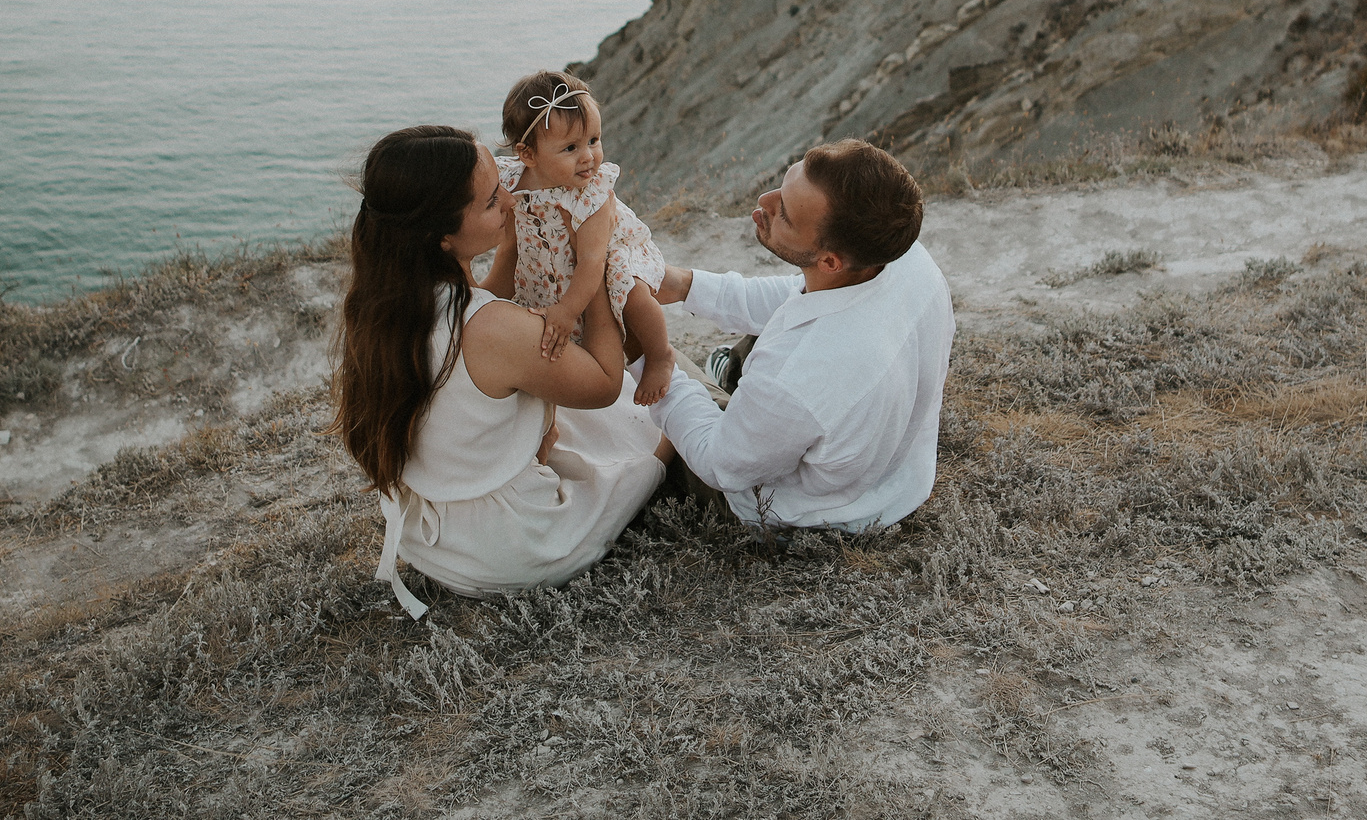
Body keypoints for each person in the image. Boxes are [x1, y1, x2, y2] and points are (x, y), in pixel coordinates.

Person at [334, 124, 668, 618]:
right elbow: (602, 382)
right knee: (664, 423)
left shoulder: (388, 304)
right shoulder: (491, 329)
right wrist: (588, 267)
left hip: (437, 543)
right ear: (443, 237)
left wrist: (510, 247)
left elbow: (487, 309)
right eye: (493, 201)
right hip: (514, 548)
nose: (512, 202)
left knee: (580, 413)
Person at [647, 139, 954, 532]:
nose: (765, 200)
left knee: (650, 371)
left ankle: (728, 399)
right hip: (894, 482)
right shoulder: (906, 259)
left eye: (785, 214)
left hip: (798, 513)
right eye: (783, 184)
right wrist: (685, 285)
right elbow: (799, 295)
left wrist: (642, 347)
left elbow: (717, 464)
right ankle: (742, 399)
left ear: (830, 260)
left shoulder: (800, 373)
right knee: (772, 363)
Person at [480, 69, 678, 405]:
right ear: (527, 155)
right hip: (546, 264)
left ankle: (660, 355)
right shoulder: (513, 180)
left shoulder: (591, 195)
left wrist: (568, 309)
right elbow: (511, 246)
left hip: (607, 254)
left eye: (594, 140)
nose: (588, 156)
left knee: (634, 297)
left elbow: (591, 261)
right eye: (571, 147)